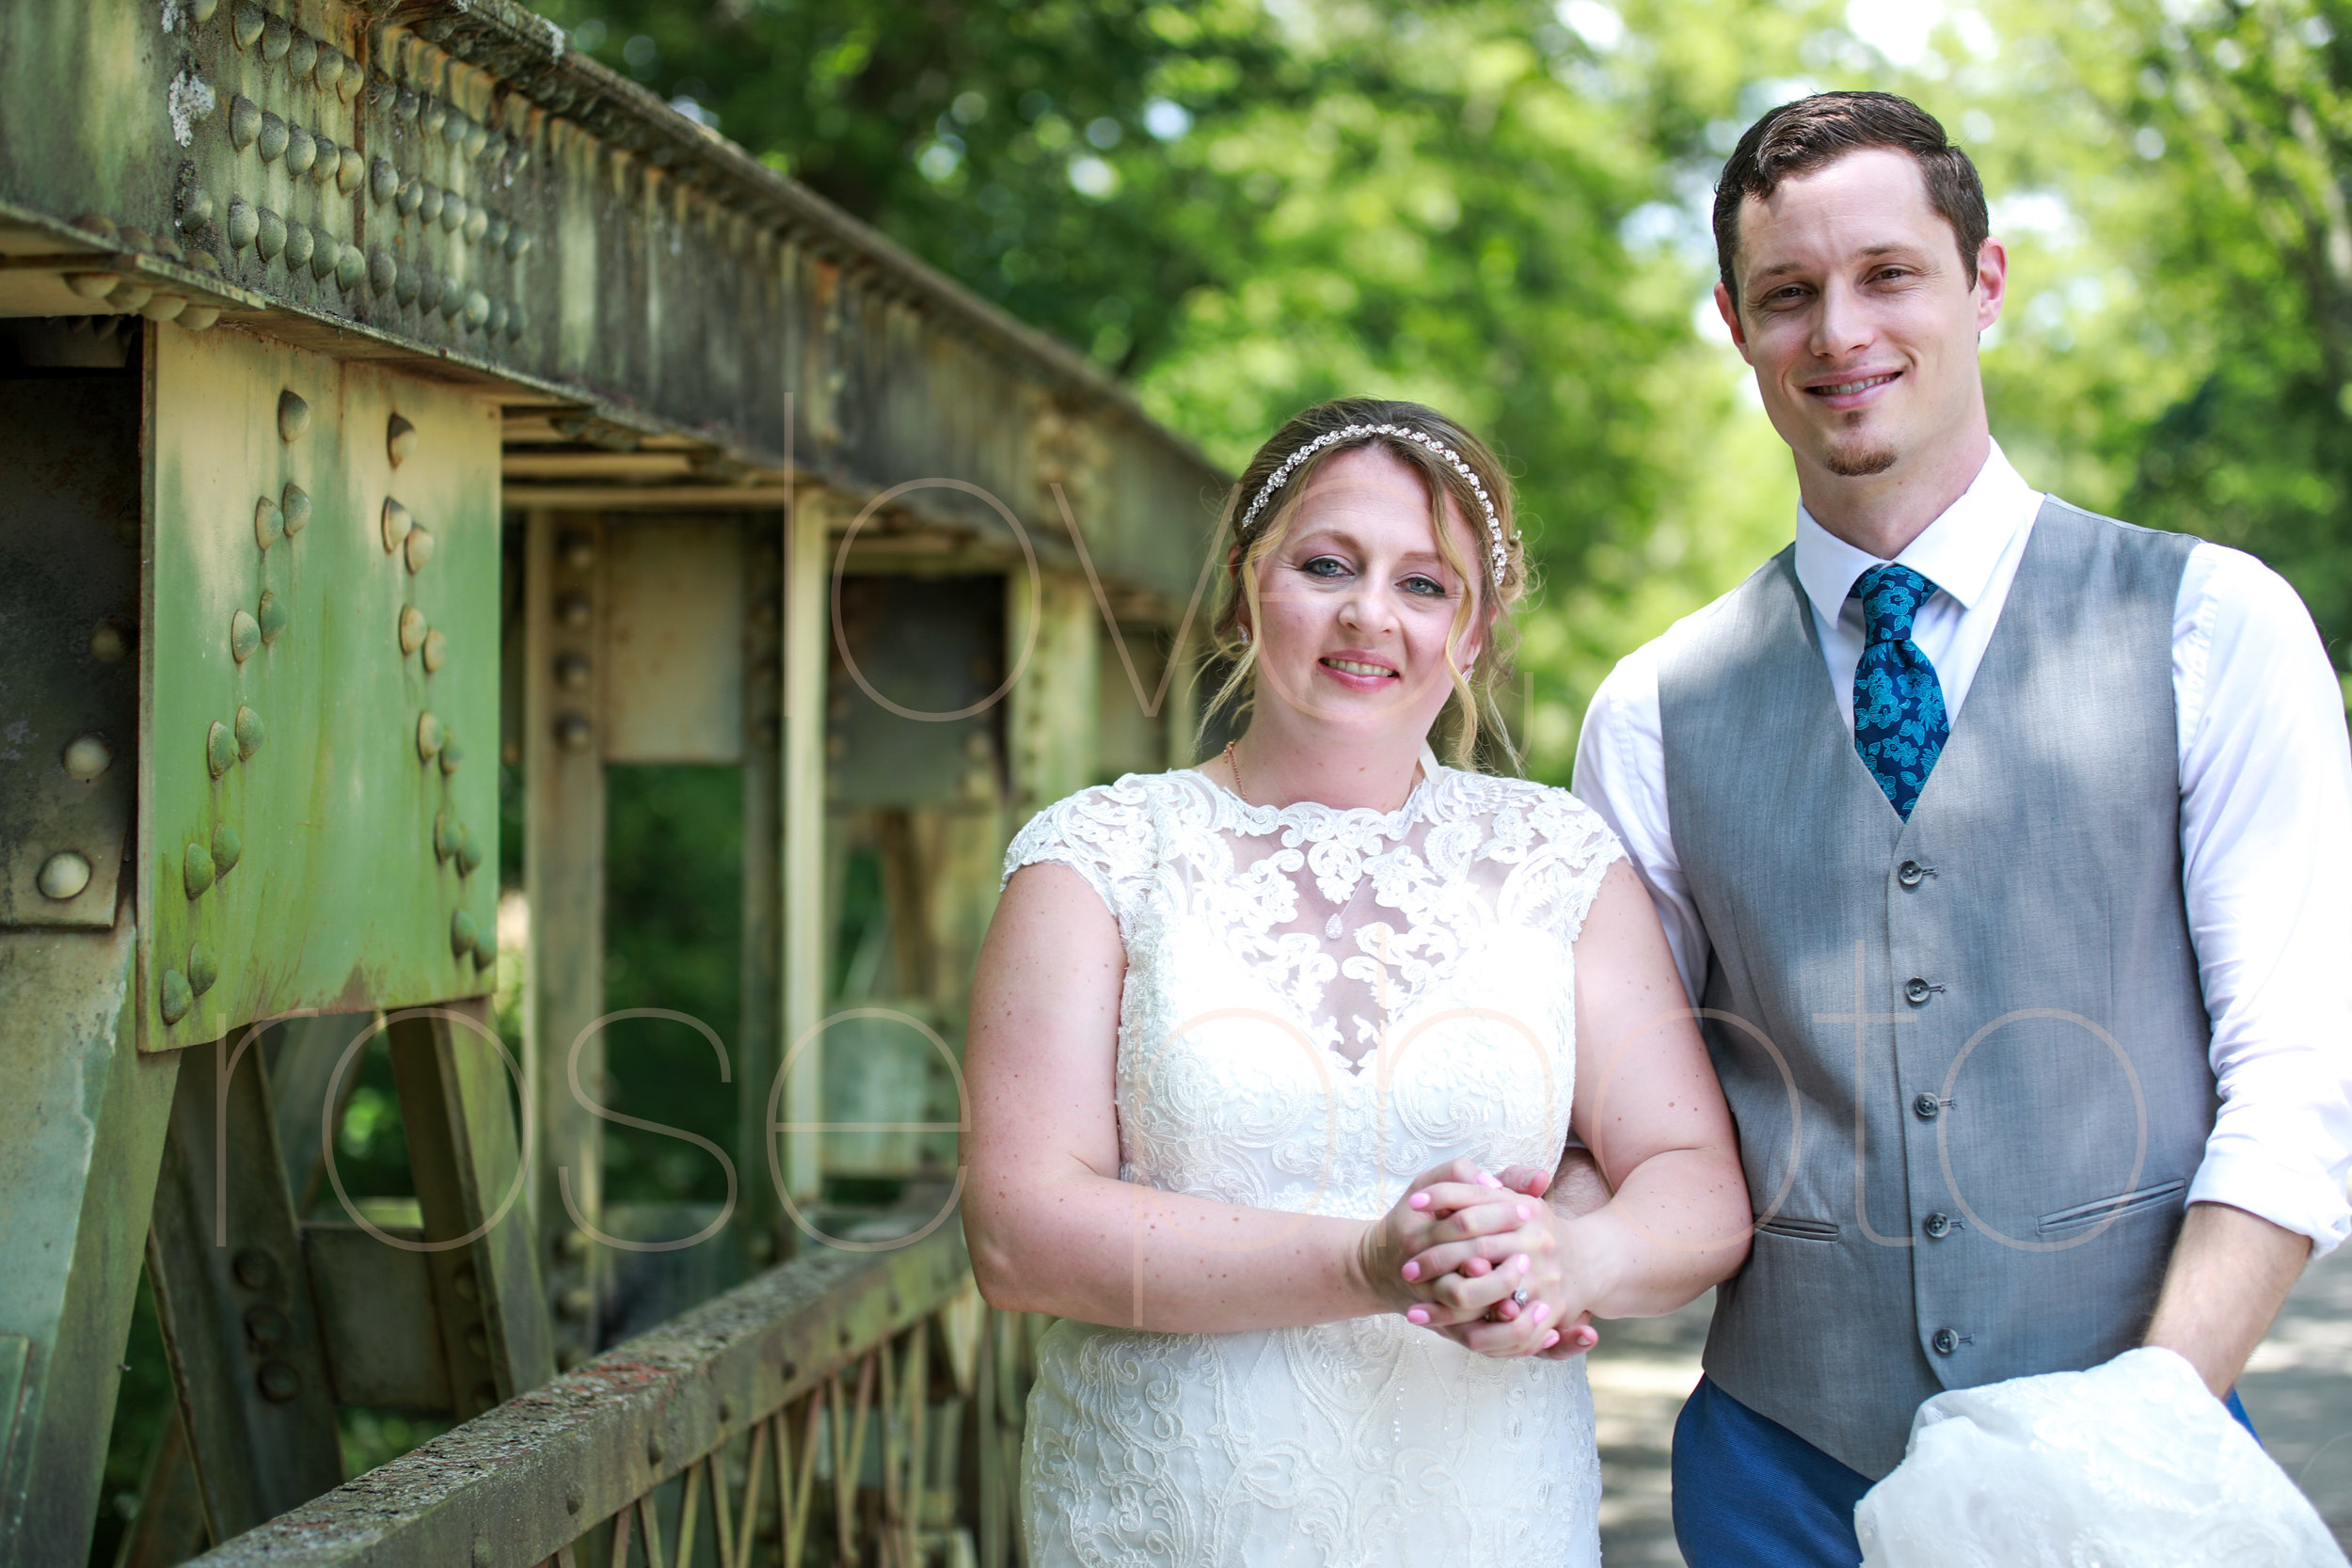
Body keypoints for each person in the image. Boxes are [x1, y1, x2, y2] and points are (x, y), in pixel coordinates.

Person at [1572, 91, 2352, 1566]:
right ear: (1735, 326)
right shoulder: (1648, 711)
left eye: (1889, 274)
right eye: (1788, 294)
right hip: (1781, 1475)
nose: (1840, 329)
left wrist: (2152, 1424)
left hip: (2146, 1452)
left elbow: (2302, 1069)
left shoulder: (2212, 622)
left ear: (1983, 284)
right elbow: (1614, 1115)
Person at [962, 397, 1752, 1567]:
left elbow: (1694, 1184)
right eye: (1326, 564)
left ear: (1473, 634)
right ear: (1245, 591)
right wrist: (1364, 1263)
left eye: (1425, 584)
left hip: (1485, 1514)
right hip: (1173, 1515)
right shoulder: (1099, 858)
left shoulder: (1556, 862)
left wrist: (1567, 1257)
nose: (1369, 613)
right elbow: (1020, 1233)